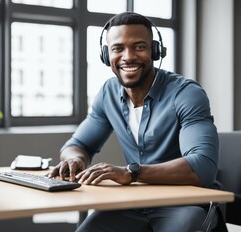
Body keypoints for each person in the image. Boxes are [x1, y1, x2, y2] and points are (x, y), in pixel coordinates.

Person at [50, 12, 219, 232]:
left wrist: (131, 173)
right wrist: (75, 160)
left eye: (139, 47)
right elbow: (76, 145)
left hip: (184, 203)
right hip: (135, 203)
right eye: (118, 48)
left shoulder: (186, 94)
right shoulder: (108, 92)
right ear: (105, 55)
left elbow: (203, 167)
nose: (128, 57)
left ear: (155, 51)